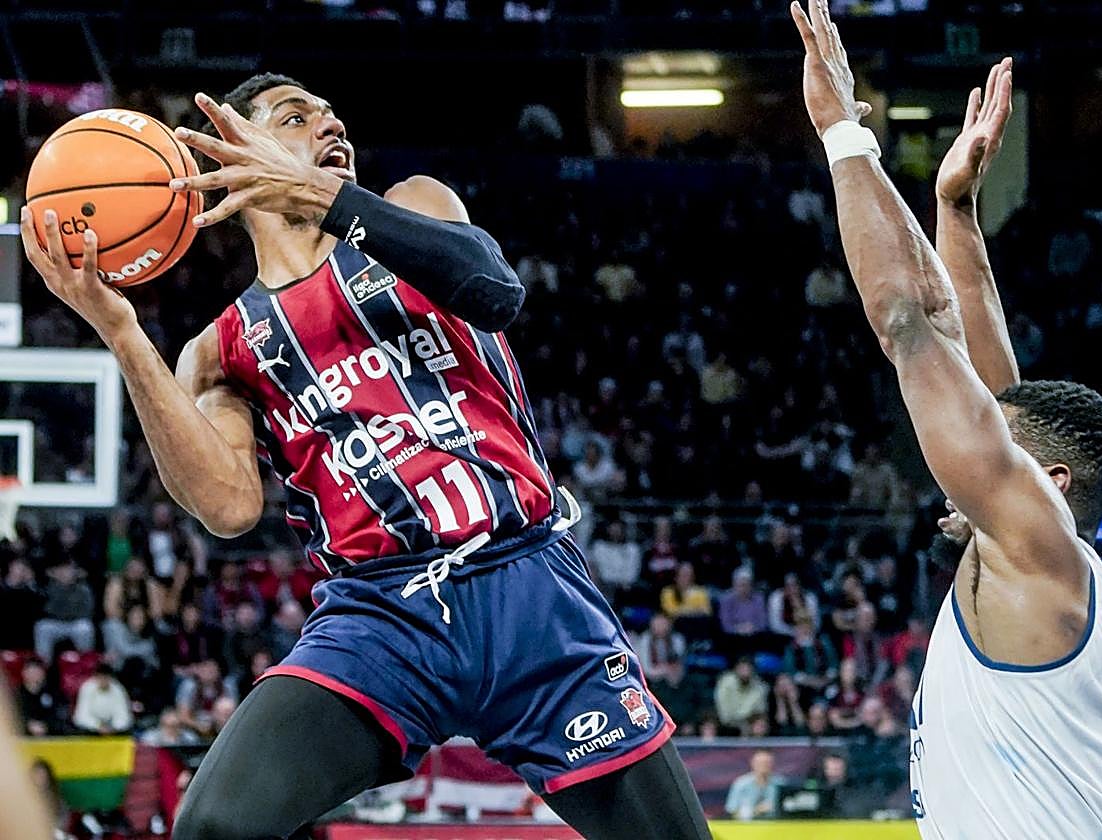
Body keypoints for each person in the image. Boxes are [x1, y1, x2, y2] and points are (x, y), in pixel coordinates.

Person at [22, 75, 708, 840]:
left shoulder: (412, 206)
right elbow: (227, 508)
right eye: (296, 117)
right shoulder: (219, 349)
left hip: (529, 589)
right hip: (382, 617)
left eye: (332, 116)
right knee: (214, 825)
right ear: (235, 151)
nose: (330, 126)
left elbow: (494, 291)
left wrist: (319, 196)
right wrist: (121, 333)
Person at [790, 8, 1102, 836]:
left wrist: (842, 129)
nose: (964, 470)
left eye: (1002, 453)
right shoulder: (1053, 567)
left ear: (1050, 485)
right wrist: (956, 212)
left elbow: (908, 322)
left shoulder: (1039, 551)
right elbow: (990, 382)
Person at [71, 664, 133, 735]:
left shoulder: (118, 689)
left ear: (111, 678)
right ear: (95, 677)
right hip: (90, 729)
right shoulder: (87, 688)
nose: (103, 680)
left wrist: (113, 727)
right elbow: (81, 715)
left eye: (106, 678)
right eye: (100, 677)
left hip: (113, 729)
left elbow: (124, 715)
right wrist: (98, 725)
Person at [724, 750, 783, 820]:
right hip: (746, 824)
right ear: (753, 763)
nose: (764, 766)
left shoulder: (781, 783)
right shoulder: (741, 783)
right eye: (760, 763)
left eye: (767, 763)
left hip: (776, 823)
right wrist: (755, 811)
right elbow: (732, 811)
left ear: (772, 764)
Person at [714, 657, 768, 734]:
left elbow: (759, 712)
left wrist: (745, 723)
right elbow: (724, 715)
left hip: (749, 725)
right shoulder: (725, 682)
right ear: (736, 670)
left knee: (759, 725)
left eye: (748, 669)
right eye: (742, 669)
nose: (745, 673)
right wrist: (739, 723)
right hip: (726, 725)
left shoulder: (760, 687)